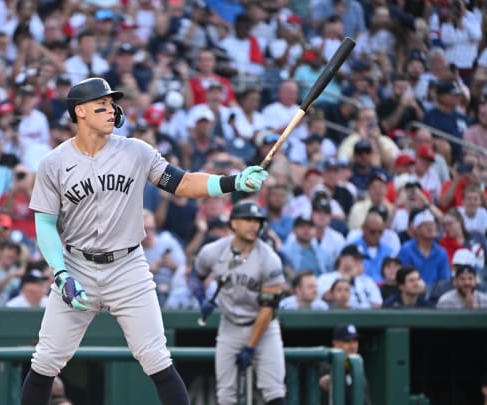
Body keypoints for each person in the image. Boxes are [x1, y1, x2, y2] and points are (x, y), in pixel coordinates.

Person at [21, 77, 269, 405]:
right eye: (102, 105)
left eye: (113, 104)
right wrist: (60, 273)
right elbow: (46, 223)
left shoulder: (135, 151)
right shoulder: (53, 163)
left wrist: (232, 181)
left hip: (127, 266)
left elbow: (181, 182)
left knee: (156, 358)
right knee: (46, 360)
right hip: (77, 265)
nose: (111, 110)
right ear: (80, 111)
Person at [192, 201, 287, 405]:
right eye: (248, 220)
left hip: (264, 327)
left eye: (257, 221)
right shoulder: (213, 251)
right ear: (233, 223)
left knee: (275, 391)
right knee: (226, 395)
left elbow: (268, 308)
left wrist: (250, 347)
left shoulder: (269, 259)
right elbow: (196, 275)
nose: (254, 225)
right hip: (230, 326)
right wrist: (202, 300)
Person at [319, 324, 373, 405]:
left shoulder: (357, 365)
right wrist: (331, 379)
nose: (352, 346)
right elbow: (324, 382)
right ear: (335, 343)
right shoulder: (329, 365)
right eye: (347, 341)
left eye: (355, 341)